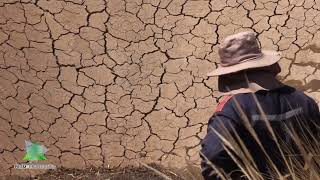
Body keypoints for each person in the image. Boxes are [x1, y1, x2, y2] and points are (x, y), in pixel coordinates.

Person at [200, 31, 320, 180]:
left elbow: (212, 158)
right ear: (267, 67)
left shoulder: (232, 110)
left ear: (230, 74)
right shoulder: (303, 100)